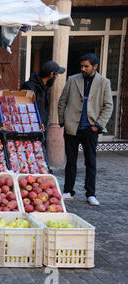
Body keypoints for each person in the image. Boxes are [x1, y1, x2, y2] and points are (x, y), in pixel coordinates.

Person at [58, 53, 113, 206]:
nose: (83, 68)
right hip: (72, 128)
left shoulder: (104, 82)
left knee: (91, 162)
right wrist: (63, 121)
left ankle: (91, 193)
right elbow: (62, 101)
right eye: (81, 66)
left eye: (86, 66)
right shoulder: (72, 79)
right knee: (71, 161)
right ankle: (68, 191)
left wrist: (98, 125)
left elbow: (108, 105)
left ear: (95, 66)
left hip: (91, 128)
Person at [21, 61, 65, 129]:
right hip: (31, 129)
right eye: (56, 74)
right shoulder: (29, 88)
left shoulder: (44, 87)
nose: (56, 77)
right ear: (51, 75)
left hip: (42, 128)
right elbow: (23, 111)